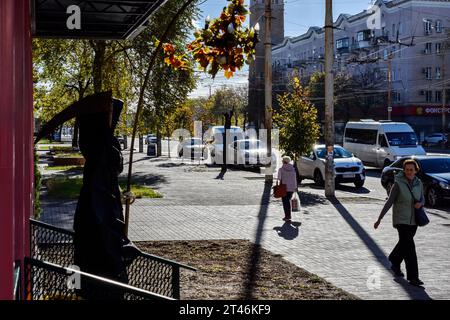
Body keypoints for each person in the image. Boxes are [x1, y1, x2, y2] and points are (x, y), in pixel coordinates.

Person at [374, 159, 425, 287]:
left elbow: (422, 198)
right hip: (401, 220)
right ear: (404, 170)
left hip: (414, 220)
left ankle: (394, 260)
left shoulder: (419, 183)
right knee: (410, 247)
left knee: (404, 244)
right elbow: (390, 201)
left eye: (411, 170)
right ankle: (413, 277)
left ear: (416, 170)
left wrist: (421, 203)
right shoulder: (398, 184)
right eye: (406, 169)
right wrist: (379, 218)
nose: (408, 172)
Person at [277, 156, 298, 222]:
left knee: (285, 202)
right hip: (291, 188)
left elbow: (279, 178)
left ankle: (287, 216)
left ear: (284, 161)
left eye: (282, 161)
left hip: (284, 188)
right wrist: (295, 187)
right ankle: (288, 216)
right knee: (288, 201)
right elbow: (295, 179)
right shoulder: (293, 169)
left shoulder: (281, 169)